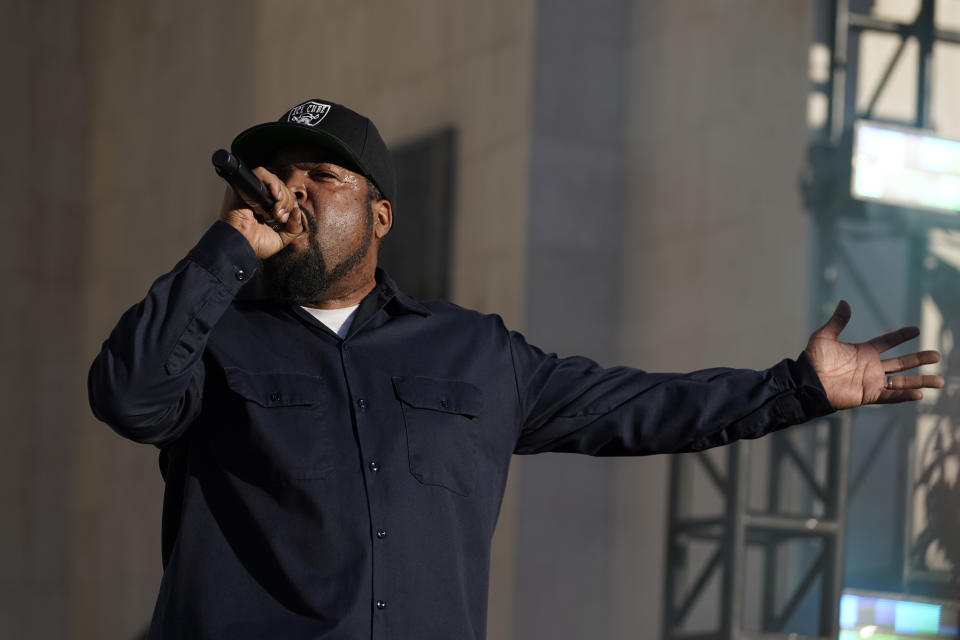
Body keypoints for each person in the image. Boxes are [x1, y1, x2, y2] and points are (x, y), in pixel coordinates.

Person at [88, 98, 944, 640]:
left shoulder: (473, 351)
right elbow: (127, 395)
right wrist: (229, 249)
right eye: (277, 178)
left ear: (380, 214)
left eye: (321, 174)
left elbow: (636, 406)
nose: (293, 191)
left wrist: (795, 389)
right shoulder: (214, 338)